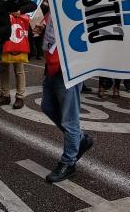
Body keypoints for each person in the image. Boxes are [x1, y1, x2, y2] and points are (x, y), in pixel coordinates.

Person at [41, 14, 93, 183]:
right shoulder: (54, 6)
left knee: (70, 120)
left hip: (68, 69)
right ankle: (80, 139)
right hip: (53, 66)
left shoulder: (71, 2)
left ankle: (68, 163)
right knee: (47, 106)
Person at [0, 11, 30, 109]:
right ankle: (5, 95)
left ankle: (20, 97)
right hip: (3, 35)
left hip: (16, 37)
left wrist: (20, 11)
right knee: (3, 69)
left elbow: (32, 5)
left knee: (19, 70)